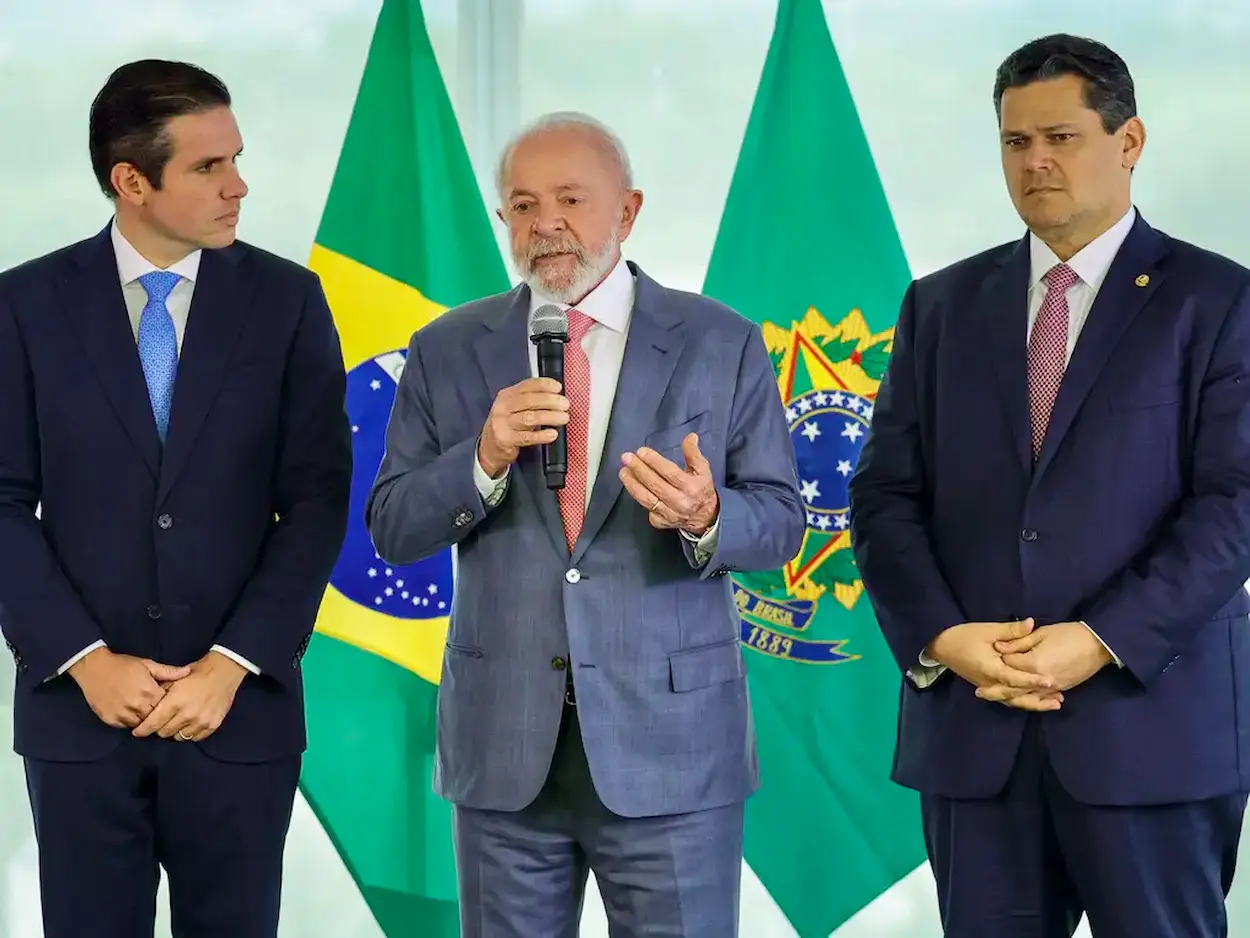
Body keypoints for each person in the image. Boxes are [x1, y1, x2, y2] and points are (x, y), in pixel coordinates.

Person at [847, 33, 1250, 938]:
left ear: (1129, 141)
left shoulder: (1220, 301)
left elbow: (1236, 506)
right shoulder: (939, 306)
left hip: (1152, 732)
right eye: (1016, 141)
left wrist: (1102, 640)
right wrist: (943, 637)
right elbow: (883, 498)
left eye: (1060, 138)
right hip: (976, 731)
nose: (1035, 162)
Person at [366, 111, 804, 937]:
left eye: (571, 199)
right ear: (502, 218)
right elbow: (392, 526)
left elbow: (782, 522)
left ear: (627, 211)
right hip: (503, 753)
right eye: (524, 205)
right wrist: (483, 458)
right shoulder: (447, 348)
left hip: (673, 752)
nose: (547, 224)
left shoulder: (721, 340)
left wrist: (707, 515)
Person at [0, 59, 352, 937]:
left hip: (239, 716)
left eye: (237, 159)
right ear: (132, 182)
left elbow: (316, 501)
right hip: (79, 719)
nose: (239, 186)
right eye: (208, 167)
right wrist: (86, 661)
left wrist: (231, 665)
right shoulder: (24, 304)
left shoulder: (288, 301)